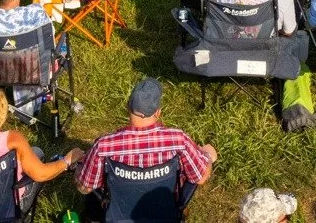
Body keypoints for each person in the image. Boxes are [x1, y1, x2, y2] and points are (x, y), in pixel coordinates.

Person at [76, 78, 217, 217]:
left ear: (128, 106)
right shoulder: (178, 140)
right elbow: (200, 178)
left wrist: (77, 165)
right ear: (158, 112)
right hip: (164, 214)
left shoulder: (104, 145)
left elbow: (85, 188)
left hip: (120, 216)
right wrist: (208, 156)